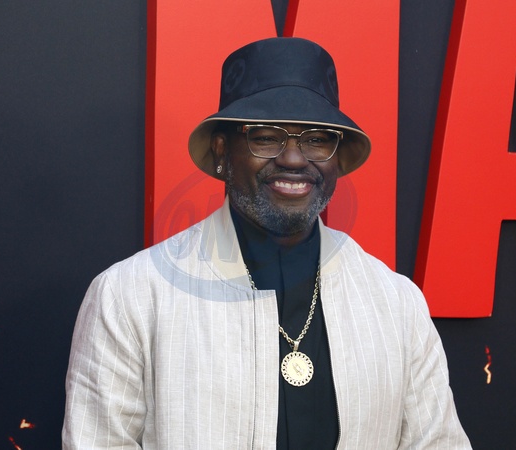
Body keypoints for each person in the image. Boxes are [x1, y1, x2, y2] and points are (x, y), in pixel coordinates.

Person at [63, 37, 471, 449]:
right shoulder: (130, 296)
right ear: (222, 151)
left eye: (316, 139)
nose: (294, 159)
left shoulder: (397, 304)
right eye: (265, 137)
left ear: (336, 158)